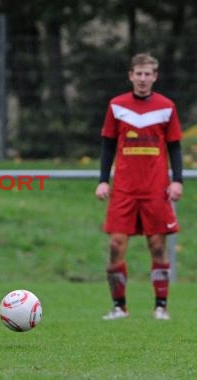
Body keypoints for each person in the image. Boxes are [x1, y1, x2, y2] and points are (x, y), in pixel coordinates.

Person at [95, 53, 183, 321]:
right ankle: (119, 307)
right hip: (124, 189)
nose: (143, 79)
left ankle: (161, 307)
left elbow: (175, 146)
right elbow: (108, 145)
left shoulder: (166, 106)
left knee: (157, 246)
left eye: (148, 74)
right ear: (130, 75)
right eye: (139, 73)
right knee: (115, 245)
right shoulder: (117, 106)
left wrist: (177, 179)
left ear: (155, 76)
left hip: (156, 188)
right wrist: (102, 180)